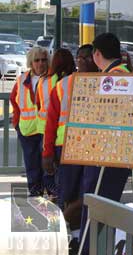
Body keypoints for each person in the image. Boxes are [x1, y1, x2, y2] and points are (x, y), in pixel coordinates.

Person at [78, 33, 131, 255]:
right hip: (116, 153)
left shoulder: (112, 78)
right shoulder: (124, 73)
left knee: (97, 205)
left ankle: (92, 248)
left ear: (97, 54)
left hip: (106, 155)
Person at [42, 46, 97, 218]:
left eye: (87, 57)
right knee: (66, 194)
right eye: (79, 57)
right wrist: (47, 153)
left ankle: (76, 234)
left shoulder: (105, 83)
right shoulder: (62, 85)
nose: (82, 61)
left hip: (93, 149)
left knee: (86, 195)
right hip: (65, 148)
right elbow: (50, 123)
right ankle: (64, 233)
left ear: (96, 59)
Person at [9, 46, 55, 196]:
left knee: (48, 166)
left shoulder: (53, 78)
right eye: (36, 60)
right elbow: (14, 101)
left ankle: (51, 195)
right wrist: (16, 124)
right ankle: (35, 196)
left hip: (46, 130)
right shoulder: (22, 79)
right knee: (32, 166)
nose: (40, 63)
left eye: (43, 60)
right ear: (31, 62)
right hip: (27, 130)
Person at [39, 48, 75, 203]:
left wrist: (47, 152)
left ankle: (59, 211)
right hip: (73, 144)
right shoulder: (79, 81)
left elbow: (49, 118)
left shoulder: (49, 82)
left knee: (60, 186)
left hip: (56, 140)